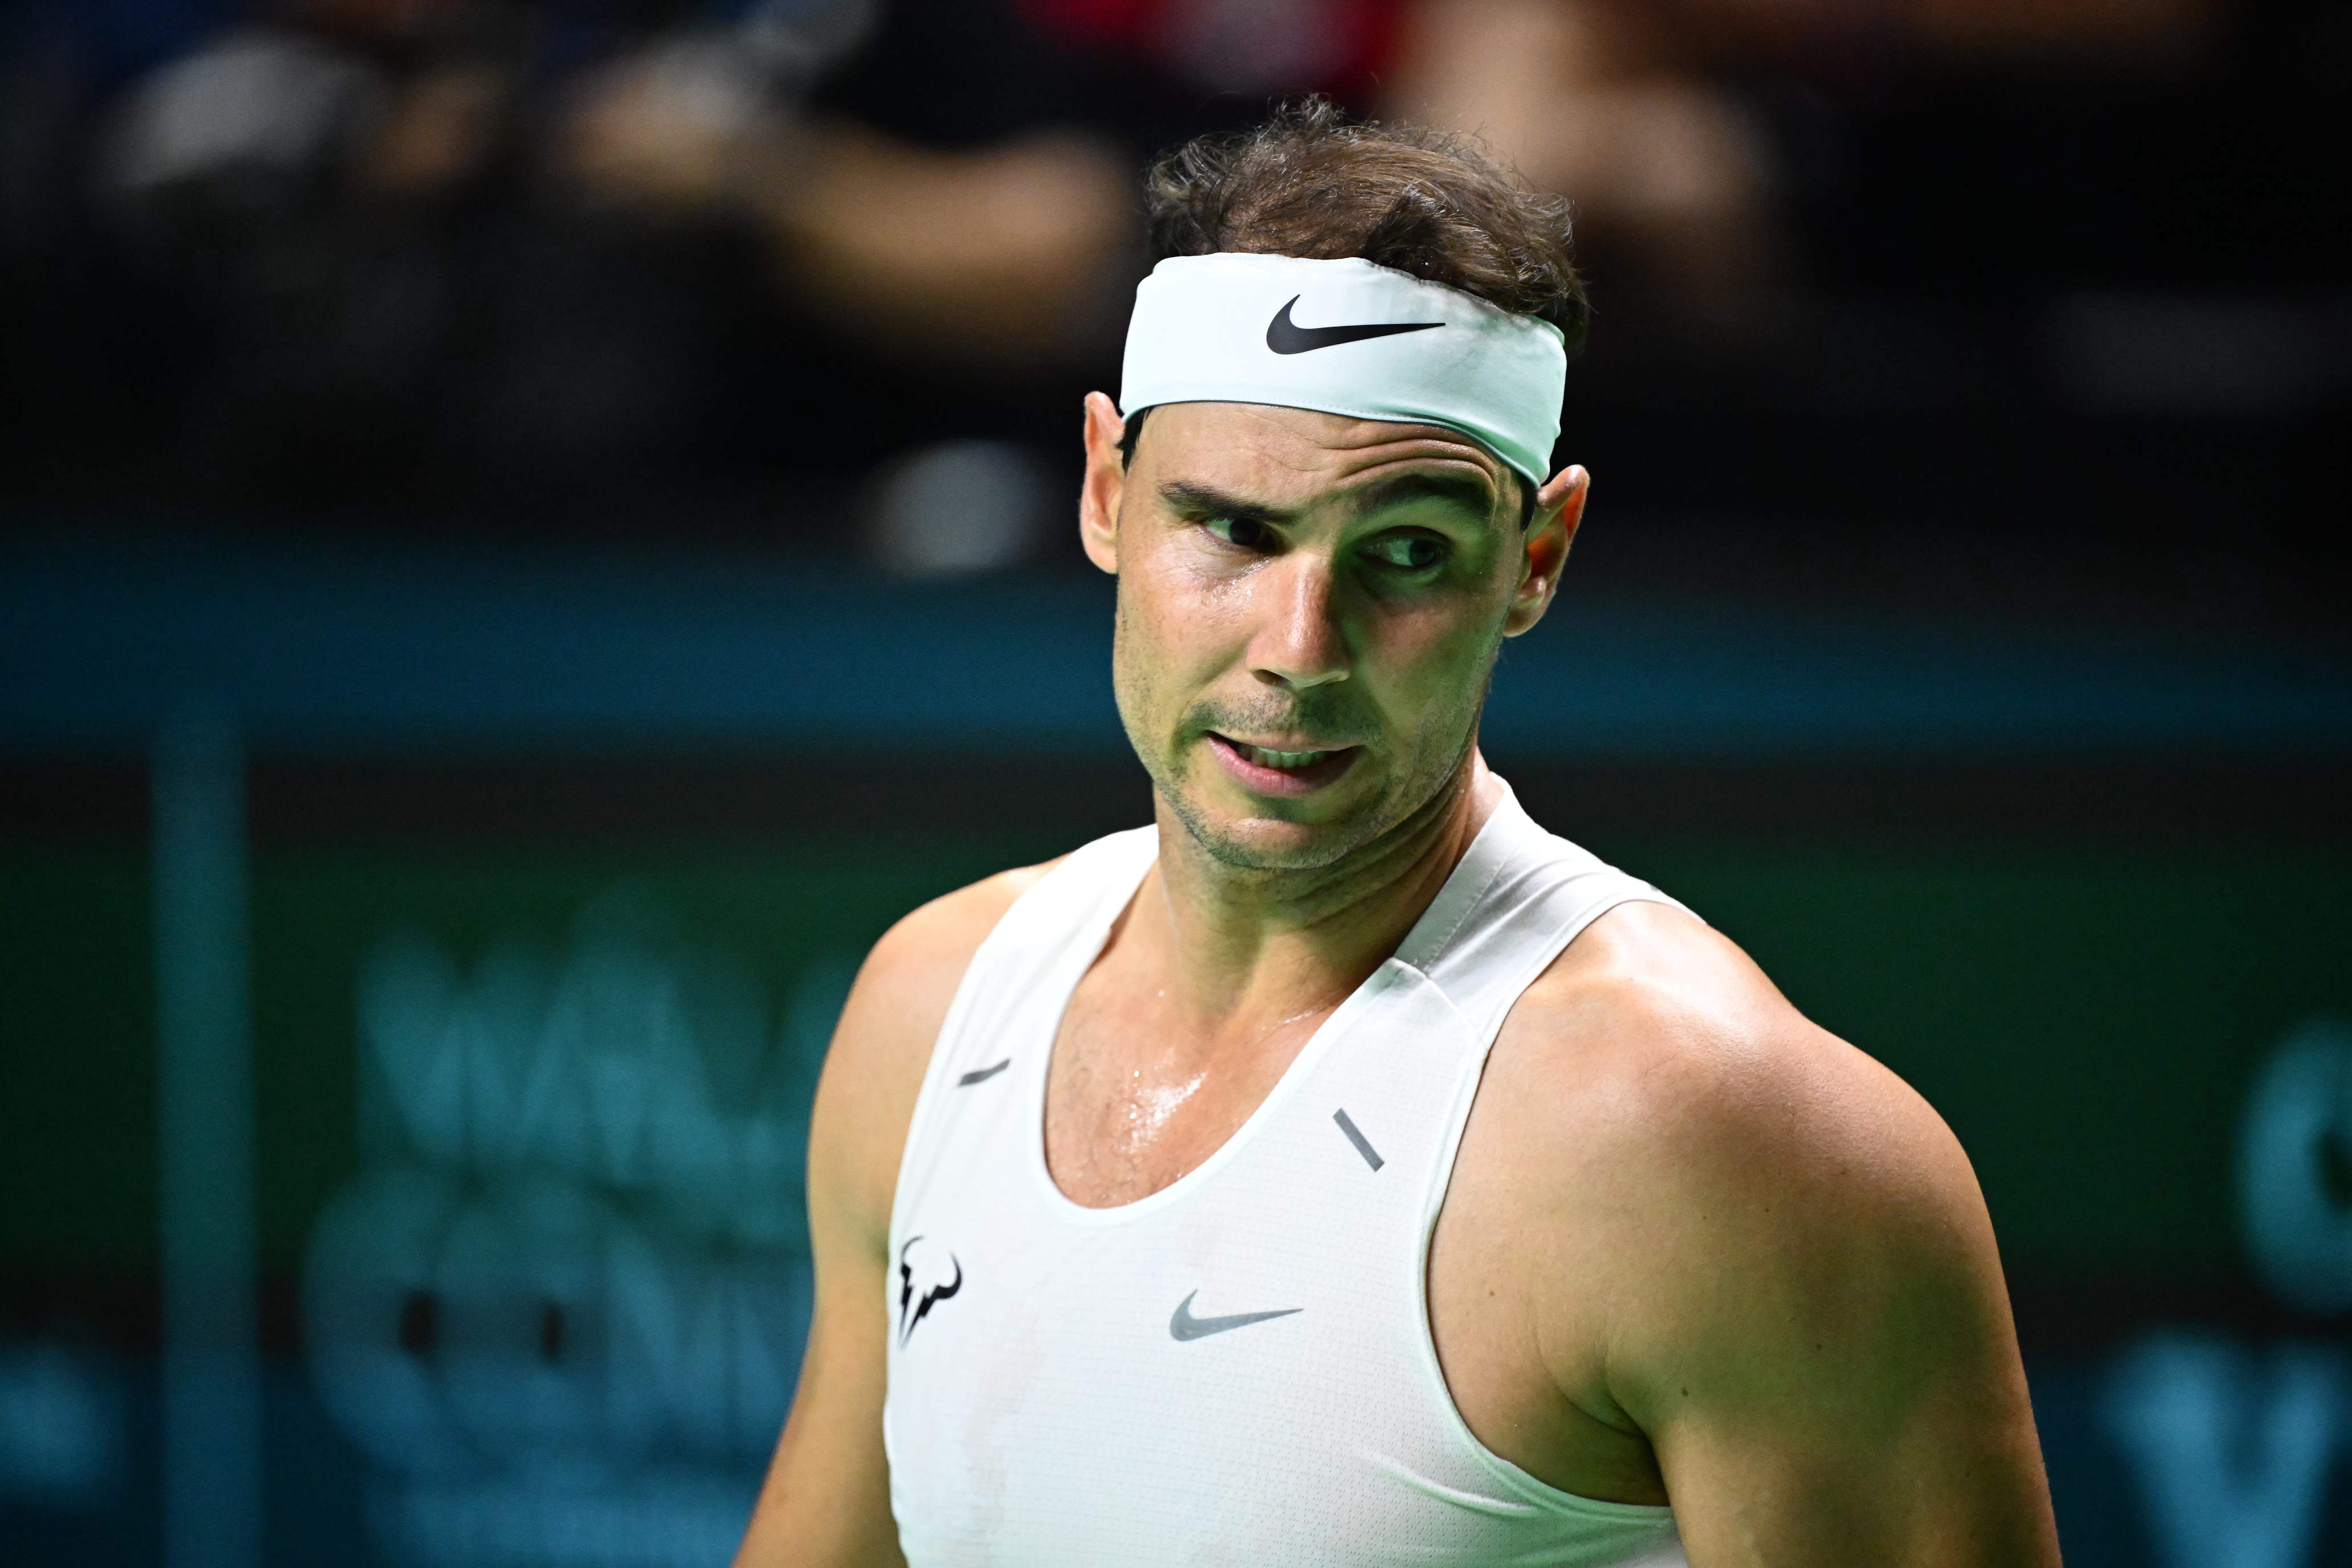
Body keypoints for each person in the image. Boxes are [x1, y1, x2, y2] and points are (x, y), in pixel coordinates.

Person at [735, 101, 2061, 1567]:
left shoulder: (1713, 1135)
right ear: (1108, 491)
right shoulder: (935, 1006)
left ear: (1536, 560)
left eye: (1408, 553)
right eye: (1234, 531)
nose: (1299, 650)